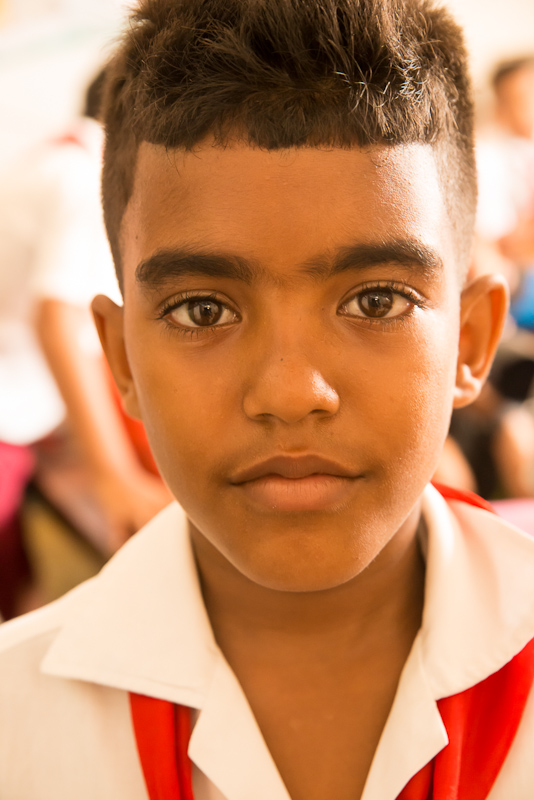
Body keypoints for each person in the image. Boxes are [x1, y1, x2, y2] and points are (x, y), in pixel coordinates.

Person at [0, 1, 532, 798]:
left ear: (471, 341)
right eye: (202, 311)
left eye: (377, 301)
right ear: (122, 361)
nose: (290, 393)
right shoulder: (15, 723)